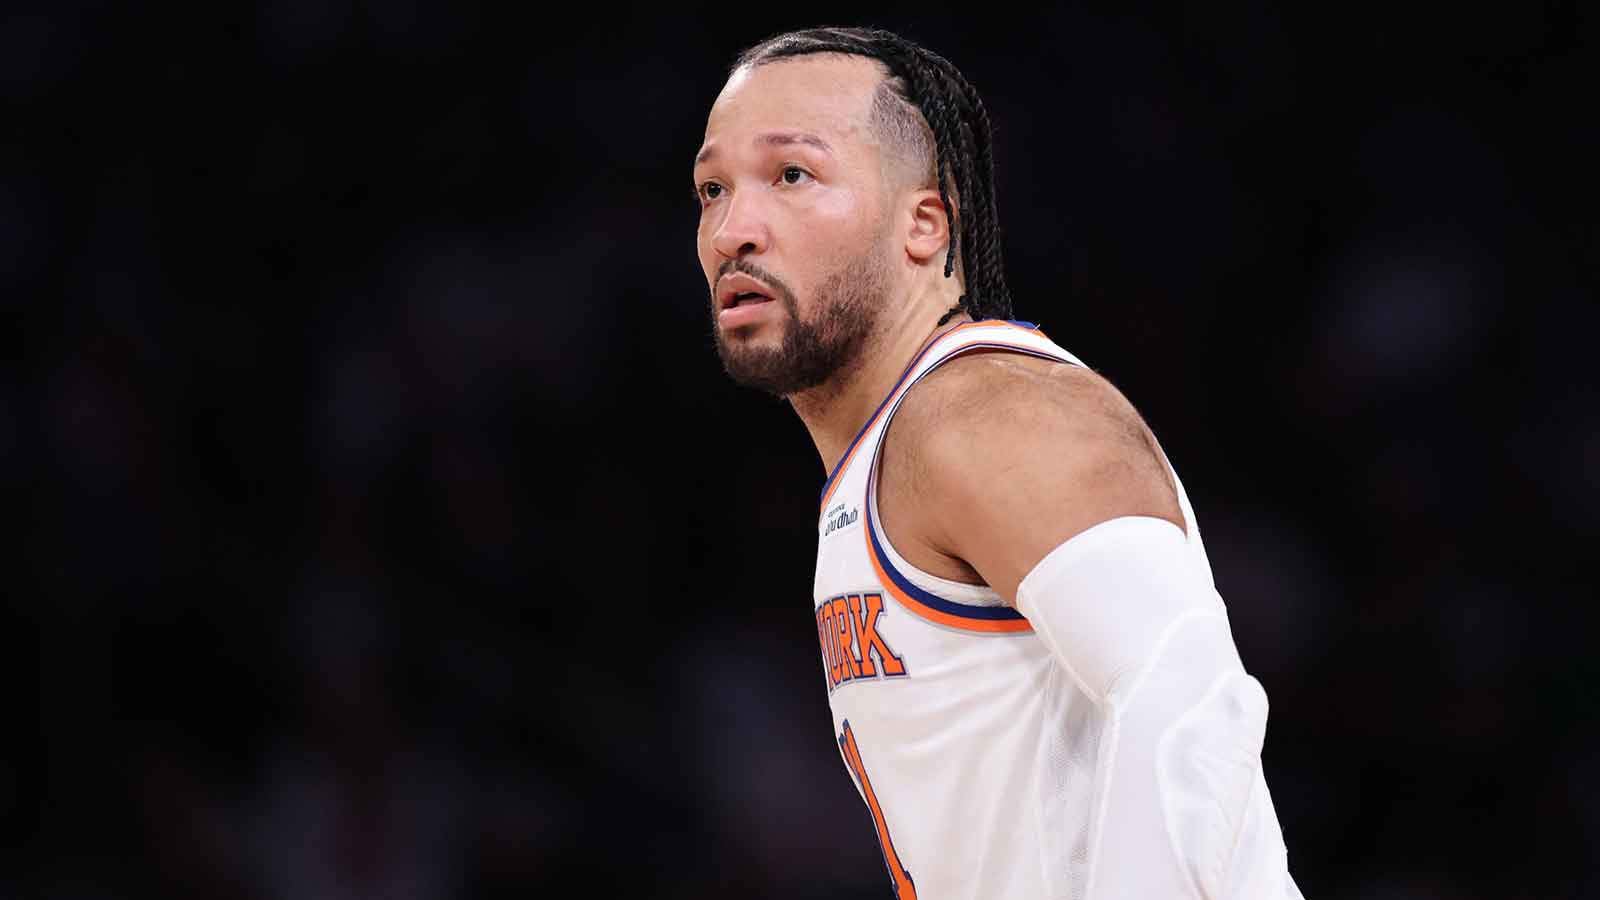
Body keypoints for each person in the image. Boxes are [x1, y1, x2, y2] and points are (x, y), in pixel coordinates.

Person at [692, 26, 1303, 899]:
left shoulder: (984, 411)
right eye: (712, 188)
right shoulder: (887, 454)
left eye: (792, 174)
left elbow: (1187, 696)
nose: (731, 230)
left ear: (923, 224)